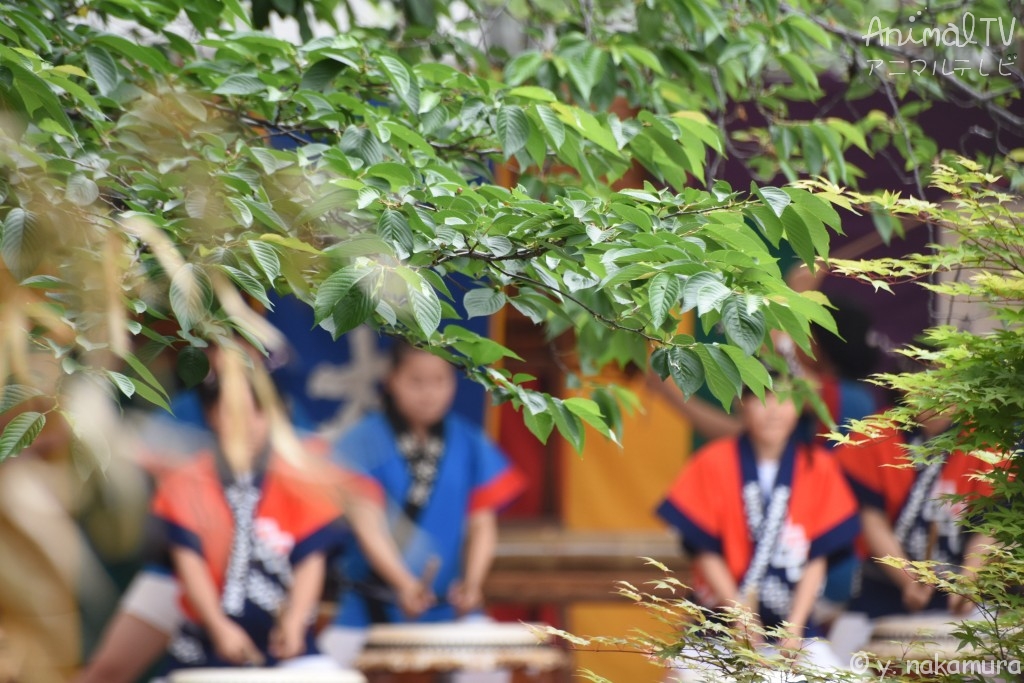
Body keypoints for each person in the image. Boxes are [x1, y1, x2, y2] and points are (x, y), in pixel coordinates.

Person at [320, 340, 526, 664]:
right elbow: (367, 525)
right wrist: (404, 585)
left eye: (439, 381)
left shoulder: (469, 440)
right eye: (416, 381)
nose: (429, 392)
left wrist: (472, 584)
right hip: (368, 607)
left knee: (488, 668)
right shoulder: (360, 441)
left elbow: (482, 524)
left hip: (448, 608)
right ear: (392, 380)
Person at [150, 343, 344, 670]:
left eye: (256, 412)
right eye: (231, 412)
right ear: (211, 415)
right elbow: (189, 563)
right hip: (205, 642)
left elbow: (311, 560)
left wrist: (295, 622)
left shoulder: (297, 476)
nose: (245, 424)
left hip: (286, 643)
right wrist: (218, 626)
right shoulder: (188, 481)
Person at [656, 383, 860, 677]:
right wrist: (741, 619)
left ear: (800, 405)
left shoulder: (819, 466)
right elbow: (703, 549)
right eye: (762, 399)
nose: (774, 410)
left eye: (785, 399)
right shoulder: (712, 461)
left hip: (794, 627)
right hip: (718, 626)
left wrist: (794, 627)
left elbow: (818, 556)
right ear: (742, 404)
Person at [829, 410, 997, 659]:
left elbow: (990, 526)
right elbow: (871, 519)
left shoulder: (988, 438)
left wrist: (969, 581)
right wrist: (907, 579)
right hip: (882, 589)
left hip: (959, 595)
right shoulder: (877, 432)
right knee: (836, 660)